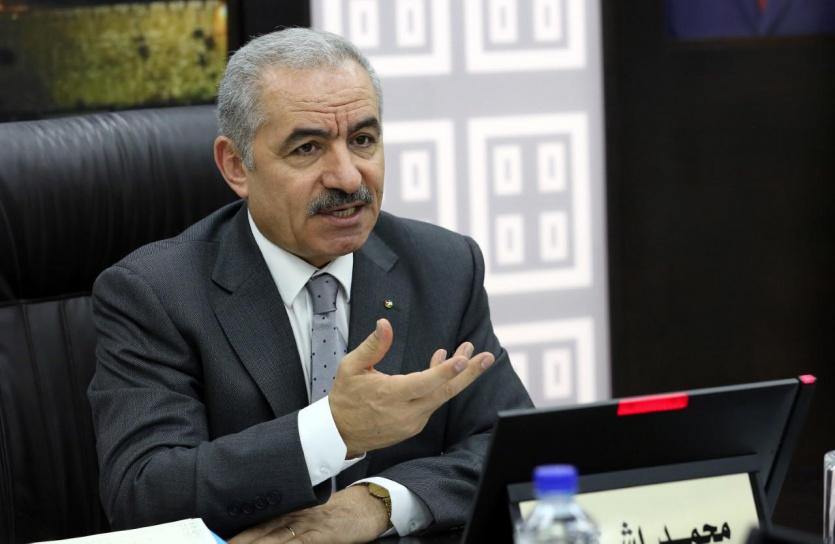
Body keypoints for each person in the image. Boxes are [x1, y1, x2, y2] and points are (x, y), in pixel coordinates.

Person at [88, 28, 532, 543]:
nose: (348, 177)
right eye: (307, 148)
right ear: (236, 165)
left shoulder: (444, 265)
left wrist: (378, 502)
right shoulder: (155, 292)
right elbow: (144, 492)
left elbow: (511, 449)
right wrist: (332, 431)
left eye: (362, 141)